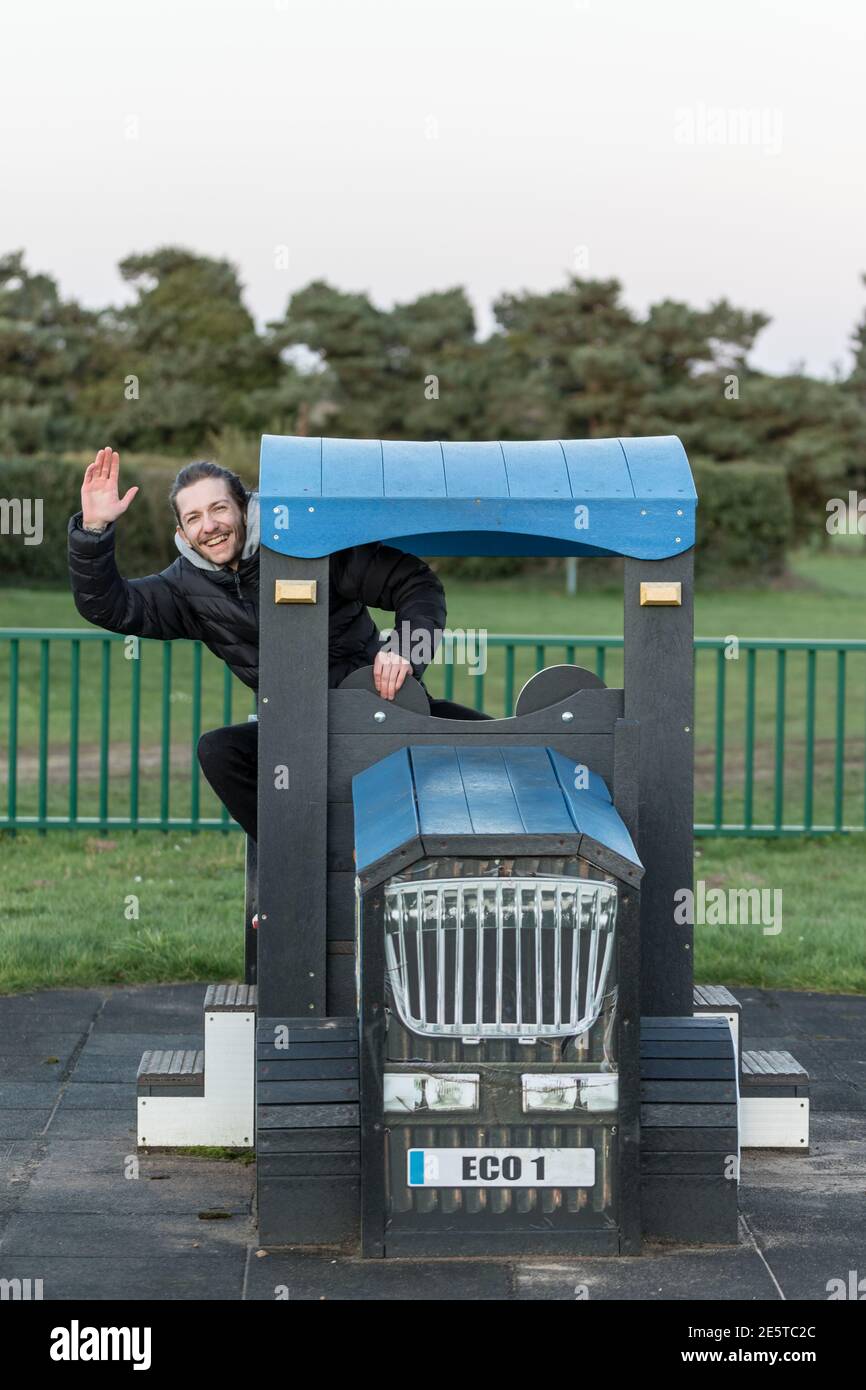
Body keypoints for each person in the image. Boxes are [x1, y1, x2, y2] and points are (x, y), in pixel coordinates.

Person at [68, 447, 487, 840]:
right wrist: (94, 529)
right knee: (219, 751)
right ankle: (294, 854)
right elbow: (110, 607)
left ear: (245, 509)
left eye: (218, 509)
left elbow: (415, 583)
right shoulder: (184, 588)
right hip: (296, 732)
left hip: (378, 708)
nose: (209, 526)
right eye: (194, 518)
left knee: (501, 744)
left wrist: (405, 653)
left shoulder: (307, 546)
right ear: (183, 532)